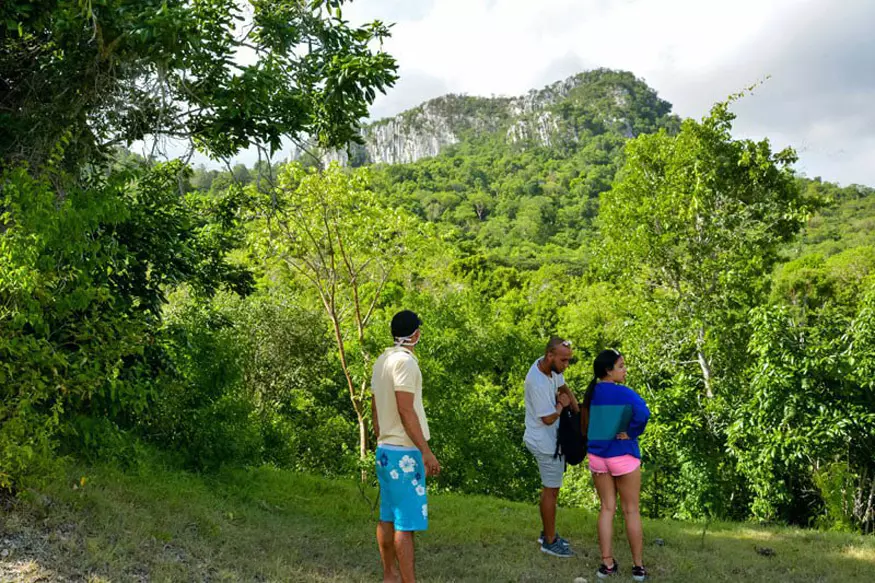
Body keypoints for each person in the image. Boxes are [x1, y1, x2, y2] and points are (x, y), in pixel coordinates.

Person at [371, 310, 440, 583]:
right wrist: (425, 451)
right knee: (406, 523)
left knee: (387, 516)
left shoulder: (383, 360)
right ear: (415, 334)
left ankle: (390, 575)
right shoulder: (406, 363)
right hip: (404, 453)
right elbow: (405, 409)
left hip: (386, 450)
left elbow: (376, 407)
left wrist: (380, 437)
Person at [581, 349, 651, 581]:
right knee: (630, 510)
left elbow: (588, 422)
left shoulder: (592, 392)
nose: (625, 370)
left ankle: (607, 564)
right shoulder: (625, 394)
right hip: (622, 456)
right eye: (621, 366)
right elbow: (643, 413)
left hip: (598, 457)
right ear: (608, 371)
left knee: (607, 508)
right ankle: (638, 567)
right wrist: (631, 432)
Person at [523, 336, 579, 558]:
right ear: (550, 356)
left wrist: (575, 408)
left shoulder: (550, 368)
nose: (566, 366)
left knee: (551, 489)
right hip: (544, 443)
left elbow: (563, 385)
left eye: (568, 361)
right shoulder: (535, 381)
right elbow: (547, 418)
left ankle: (547, 532)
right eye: (564, 361)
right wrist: (561, 405)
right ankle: (549, 541)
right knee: (551, 491)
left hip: (550, 440)